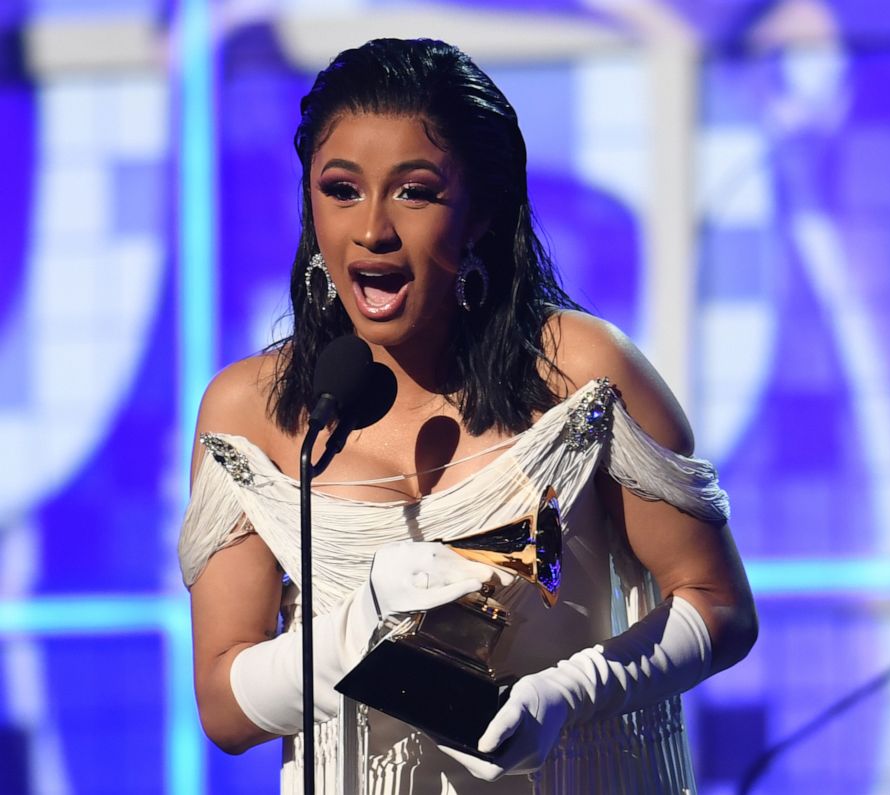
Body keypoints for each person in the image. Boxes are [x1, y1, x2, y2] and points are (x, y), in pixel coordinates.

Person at [178, 38, 757, 795]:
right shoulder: (250, 412)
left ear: (480, 212)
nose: (373, 229)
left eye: (414, 192)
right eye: (341, 189)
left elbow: (719, 606)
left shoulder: (582, 375)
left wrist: (567, 694)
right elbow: (224, 708)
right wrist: (367, 618)